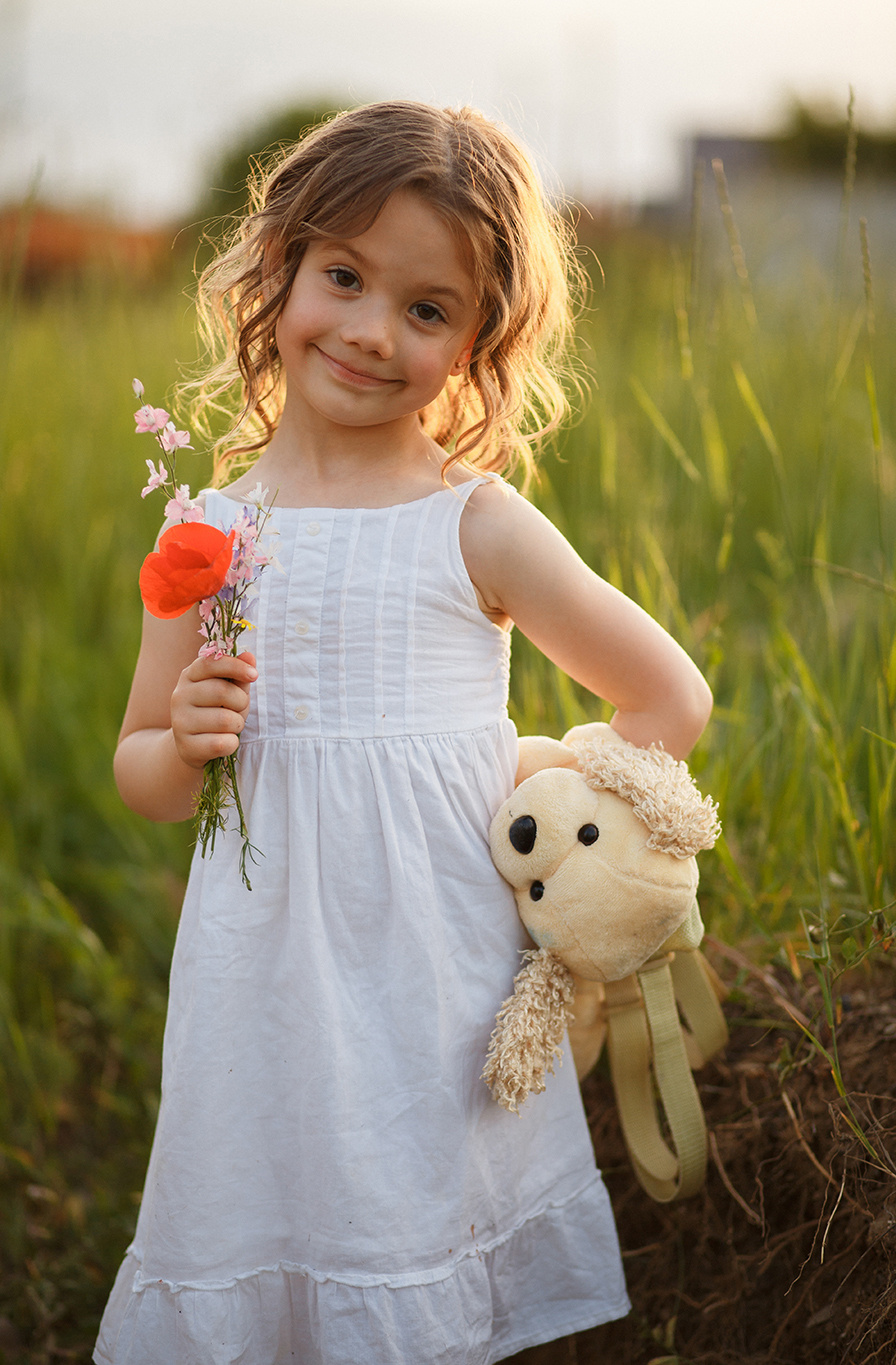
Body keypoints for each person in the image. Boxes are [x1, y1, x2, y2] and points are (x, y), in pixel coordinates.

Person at [95, 101, 712, 1365]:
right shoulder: (209, 534)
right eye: (344, 278)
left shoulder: (472, 523)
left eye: (428, 310)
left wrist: (538, 798)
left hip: (434, 975)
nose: (374, 332)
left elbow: (667, 698)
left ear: (477, 343)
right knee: (267, 1202)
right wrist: (188, 739)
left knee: (413, 1220)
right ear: (278, 269)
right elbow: (140, 774)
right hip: (259, 976)